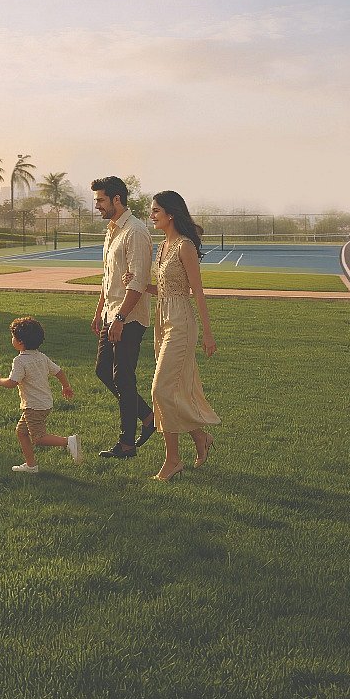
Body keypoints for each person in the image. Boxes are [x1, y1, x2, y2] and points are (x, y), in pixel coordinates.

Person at [147, 190, 219, 482]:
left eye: (155, 211)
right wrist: (139, 286)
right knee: (170, 389)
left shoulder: (185, 246)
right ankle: (200, 436)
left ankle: (172, 460)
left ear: (171, 214)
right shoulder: (162, 246)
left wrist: (208, 333)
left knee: (160, 390)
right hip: (161, 319)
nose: (151, 216)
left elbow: (197, 292)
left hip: (181, 322)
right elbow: (163, 290)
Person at [90, 176, 157, 459]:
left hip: (128, 317)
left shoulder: (136, 231)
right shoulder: (112, 230)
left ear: (117, 199)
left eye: (100, 200)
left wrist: (119, 318)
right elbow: (110, 278)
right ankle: (148, 417)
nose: (97, 206)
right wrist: (100, 312)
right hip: (111, 313)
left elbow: (138, 281)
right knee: (104, 371)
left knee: (123, 378)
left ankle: (127, 443)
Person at [0, 315, 83, 473]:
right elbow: (58, 371)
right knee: (21, 432)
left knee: (38, 438)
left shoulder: (20, 361)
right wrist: (66, 386)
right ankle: (31, 466)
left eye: (13, 337)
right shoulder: (41, 357)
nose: (12, 339)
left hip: (34, 407)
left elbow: (12, 383)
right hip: (43, 404)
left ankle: (68, 441)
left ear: (20, 342)